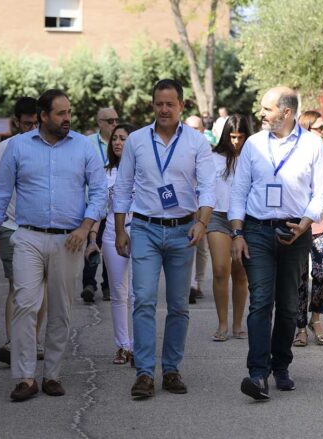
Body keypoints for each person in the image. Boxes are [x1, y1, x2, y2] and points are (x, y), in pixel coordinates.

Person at [0, 89, 107, 401]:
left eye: (69, 112)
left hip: (69, 239)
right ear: (42, 116)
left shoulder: (83, 146)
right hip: (27, 235)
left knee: (61, 310)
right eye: (60, 113)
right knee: (26, 303)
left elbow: (100, 191)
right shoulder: (18, 147)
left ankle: (52, 373)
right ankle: (25, 377)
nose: (67, 118)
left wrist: (85, 226)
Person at [114, 79, 215, 398]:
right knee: (143, 299)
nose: (164, 109)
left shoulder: (197, 143)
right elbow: (122, 185)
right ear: (152, 105)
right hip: (144, 228)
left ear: (182, 106)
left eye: (170, 104)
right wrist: (120, 228)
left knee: (178, 305)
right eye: (159, 103)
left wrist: (202, 222)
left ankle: (171, 369)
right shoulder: (137, 140)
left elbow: (209, 188)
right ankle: (144, 372)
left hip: (183, 230)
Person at [230, 87, 323, 401]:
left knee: (287, 306)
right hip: (257, 231)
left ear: (286, 112)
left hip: (295, 233)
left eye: (266, 109)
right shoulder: (254, 145)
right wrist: (237, 233)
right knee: (260, 301)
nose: (261, 114)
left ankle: (281, 365)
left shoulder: (313, 145)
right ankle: (258, 374)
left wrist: (306, 223)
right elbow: (238, 190)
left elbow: (320, 193)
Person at [0, 97, 46, 365]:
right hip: (11, 227)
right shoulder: (5, 148)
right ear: (16, 122)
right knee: (17, 286)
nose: (31, 128)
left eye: (35, 123)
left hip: (43, 228)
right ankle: (13, 343)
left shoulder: (50, 147)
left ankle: (33, 339)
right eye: (26, 124)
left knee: (41, 288)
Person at [86, 123, 137, 365]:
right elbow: (99, 207)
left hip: (140, 233)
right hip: (111, 235)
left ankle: (140, 347)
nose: (117, 142)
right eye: (115, 138)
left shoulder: (143, 170)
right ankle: (122, 346)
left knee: (139, 294)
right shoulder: (105, 172)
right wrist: (92, 236)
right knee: (118, 294)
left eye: (123, 138)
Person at [207, 115, 251, 342]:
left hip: (245, 219)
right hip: (217, 216)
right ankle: (222, 323)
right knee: (220, 270)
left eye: (240, 137)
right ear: (225, 135)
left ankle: (237, 324)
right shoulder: (212, 157)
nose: (236, 141)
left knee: (240, 272)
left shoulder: (251, 156)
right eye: (232, 136)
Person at [293, 111, 323, 347]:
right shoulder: (294, 155)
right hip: (297, 224)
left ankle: (315, 318)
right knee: (298, 277)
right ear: (307, 129)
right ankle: (299, 326)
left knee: (322, 272)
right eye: (320, 127)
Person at [81, 107, 119, 303]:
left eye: (116, 120)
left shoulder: (119, 143)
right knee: (92, 243)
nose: (114, 124)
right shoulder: (87, 144)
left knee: (110, 245)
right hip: (93, 203)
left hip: (112, 206)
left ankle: (107, 285)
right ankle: (88, 284)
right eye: (110, 121)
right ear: (100, 123)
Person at [184, 115, 211, 303]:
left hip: (202, 205)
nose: (193, 132)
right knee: (185, 243)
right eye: (189, 128)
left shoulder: (207, 149)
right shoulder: (176, 148)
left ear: (203, 130)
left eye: (196, 128)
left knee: (201, 247)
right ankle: (189, 283)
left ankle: (198, 282)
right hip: (183, 205)